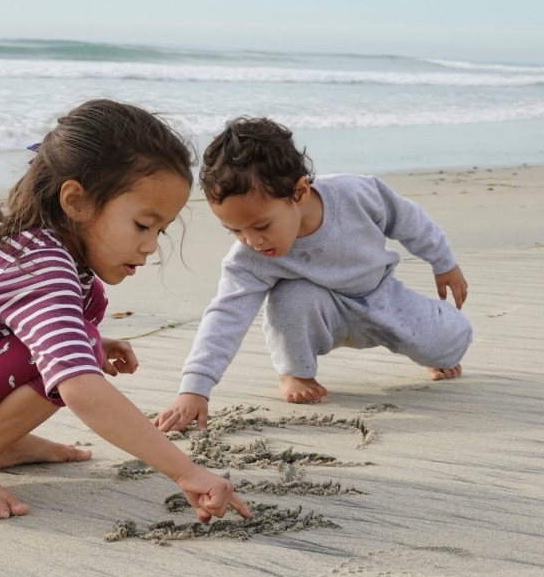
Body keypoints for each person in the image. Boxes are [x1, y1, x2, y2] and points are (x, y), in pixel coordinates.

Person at [0, 99, 250, 523]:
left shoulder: (44, 249)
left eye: (160, 231)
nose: (151, 246)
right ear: (76, 202)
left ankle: (1, 442)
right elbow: (81, 389)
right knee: (81, 351)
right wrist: (186, 472)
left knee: (88, 312)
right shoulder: (38, 266)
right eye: (141, 225)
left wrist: (84, 341)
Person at [156, 117, 472, 433]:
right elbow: (226, 315)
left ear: (300, 192)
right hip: (320, 311)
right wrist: (195, 387)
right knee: (291, 297)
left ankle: (436, 342)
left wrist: (443, 262)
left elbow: (408, 220)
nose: (252, 241)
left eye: (261, 226)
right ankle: (296, 372)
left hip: (381, 296)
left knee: (450, 344)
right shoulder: (250, 259)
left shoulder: (356, 193)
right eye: (235, 231)